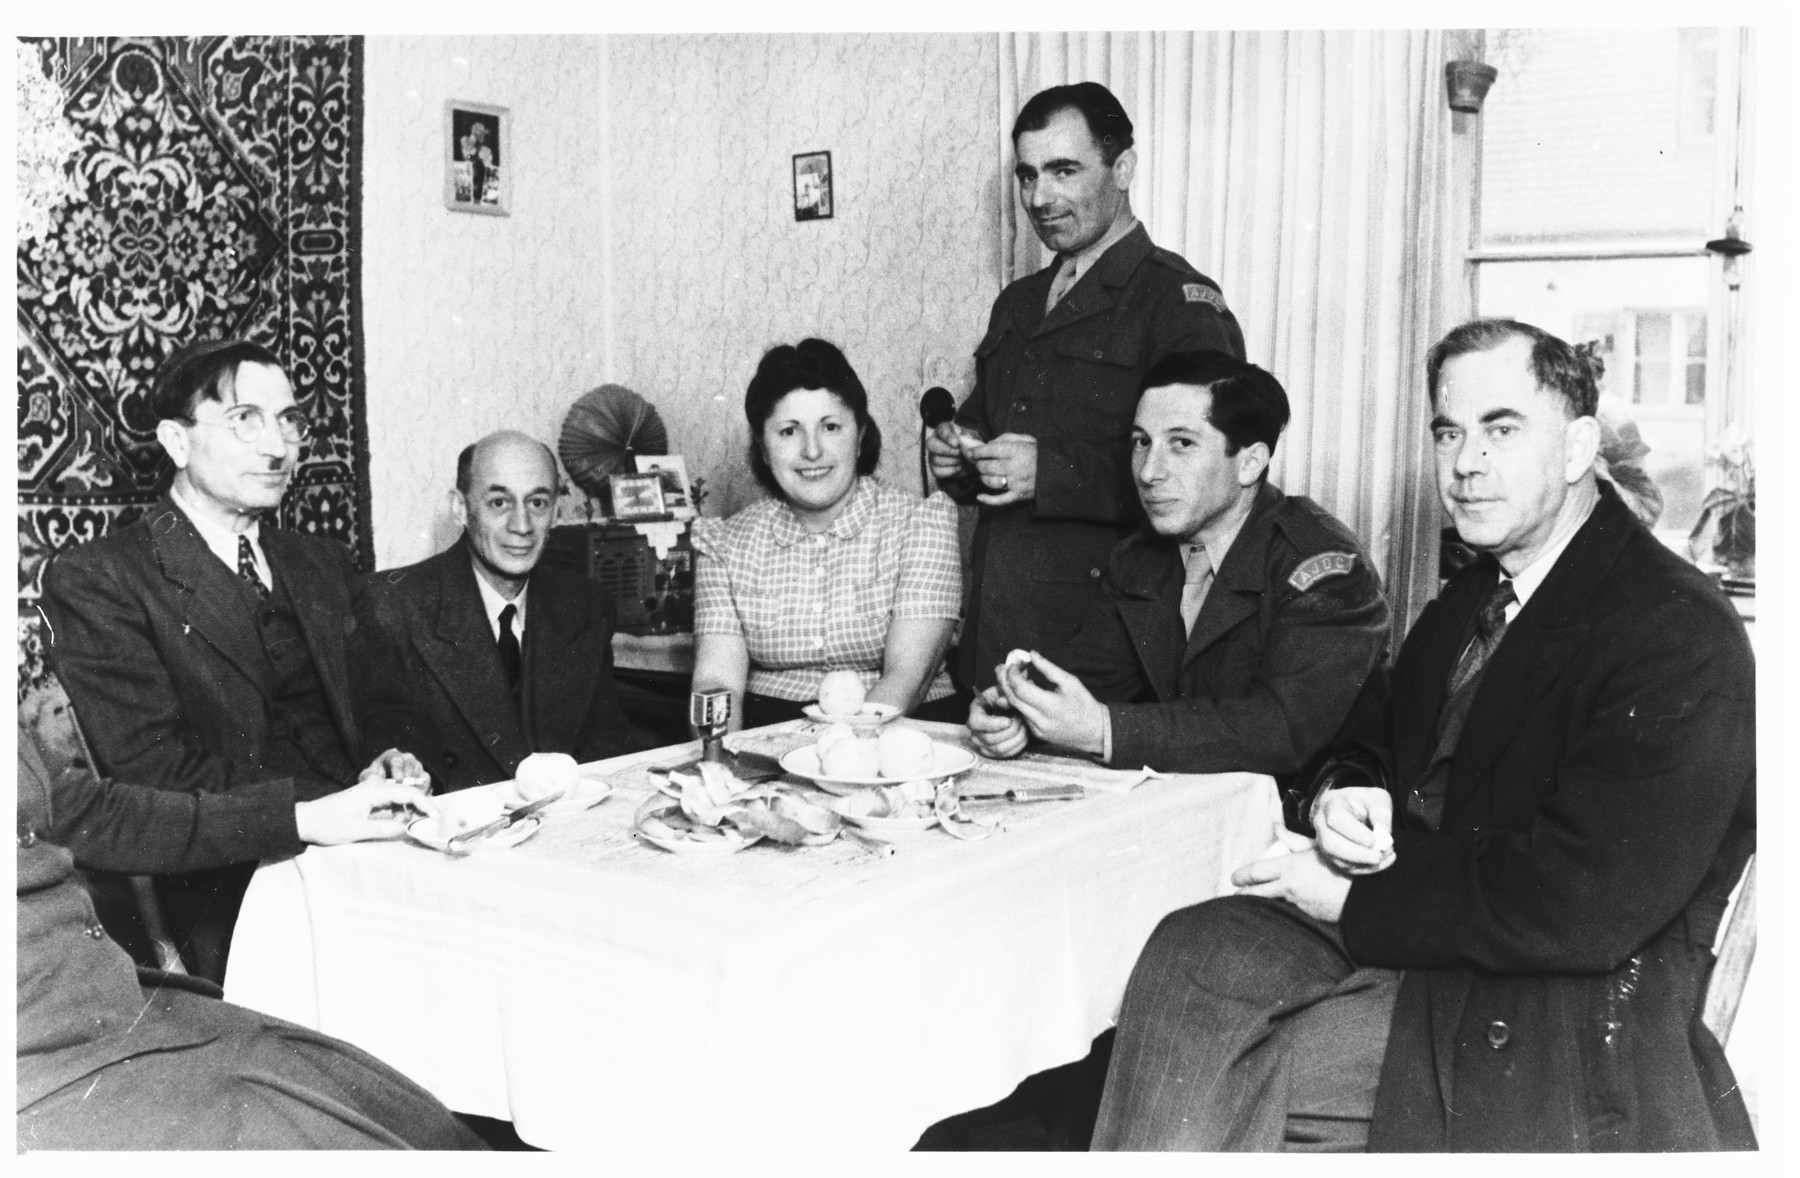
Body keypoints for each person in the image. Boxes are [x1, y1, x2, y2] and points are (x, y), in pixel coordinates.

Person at [1091, 320, 1756, 1152]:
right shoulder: (1471, 599)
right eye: (1449, 432)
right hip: (1429, 927)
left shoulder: (1675, 627)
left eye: (1501, 429)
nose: (1465, 462)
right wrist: (1347, 793)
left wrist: (1359, 899)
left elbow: (1587, 902)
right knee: (1192, 951)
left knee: (1223, 1065)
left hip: (1558, 993)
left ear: (1580, 446)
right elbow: (1373, 744)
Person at [40, 337, 426, 982]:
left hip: (369, 845)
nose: (277, 447)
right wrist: (327, 810)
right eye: (245, 420)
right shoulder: (101, 578)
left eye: (289, 421)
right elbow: (152, 772)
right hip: (231, 887)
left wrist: (391, 755)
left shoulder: (322, 563)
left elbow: (388, 702)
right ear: (177, 441)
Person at [16, 721, 484, 1151]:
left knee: (417, 1123)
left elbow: (90, 810)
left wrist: (304, 818)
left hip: (114, 1005)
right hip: (38, 1067)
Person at [927, 82, 1246, 692]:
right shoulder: (1017, 304)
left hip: (1101, 643)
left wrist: (1046, 473)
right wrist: (959, 452)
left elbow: (1208, 480)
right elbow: (988, 431)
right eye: (1027, 176)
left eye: (1063, 171)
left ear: (1122, 168)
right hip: (998, 632)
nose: (1040, 198)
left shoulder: (1175, 301)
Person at [967, 351, 1388, 784]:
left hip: (1315, 814)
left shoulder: (1322, 567)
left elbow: (1280, 729)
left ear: (1249, 462)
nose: (1149, 472)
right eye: (1141, 442)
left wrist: (1102, 730)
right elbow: (1092, 680)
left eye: (1181, 443)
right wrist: (1019, 710)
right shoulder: (1141, 558)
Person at [692, 338, 961, 730]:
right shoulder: (724, 543)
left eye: (831, 427)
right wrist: (719, 759)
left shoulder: (921, 523)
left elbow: (907, 677)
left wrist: (834, 758)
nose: (812, 451)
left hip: (898, 729)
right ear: (764, 449)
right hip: (767, 738)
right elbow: (716, 683)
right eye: (788, 432)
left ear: (860, 435)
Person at [363, 431, 644, 791]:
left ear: (556, 513)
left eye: (538, 503)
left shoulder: (586, 607)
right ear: (460, 508)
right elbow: (389, 730)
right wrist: (399, 766)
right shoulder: (394, 606)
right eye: (499, 503)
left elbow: (606, 745)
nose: (522, 525)